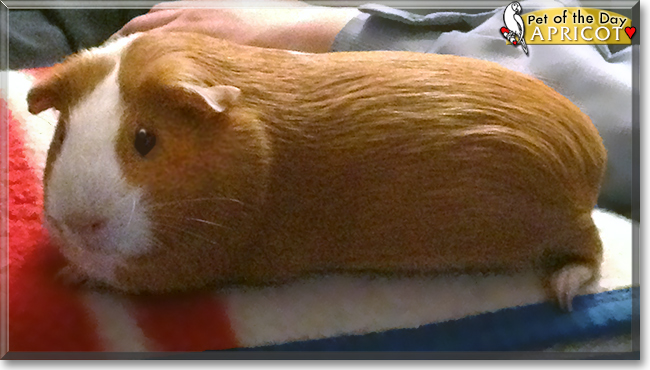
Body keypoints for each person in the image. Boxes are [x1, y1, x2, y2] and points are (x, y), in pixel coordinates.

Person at [8, 0, 636, 220]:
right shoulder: (621, 18)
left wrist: (332, 30)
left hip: (345, 46)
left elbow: (612, 116)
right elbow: (610, 24)